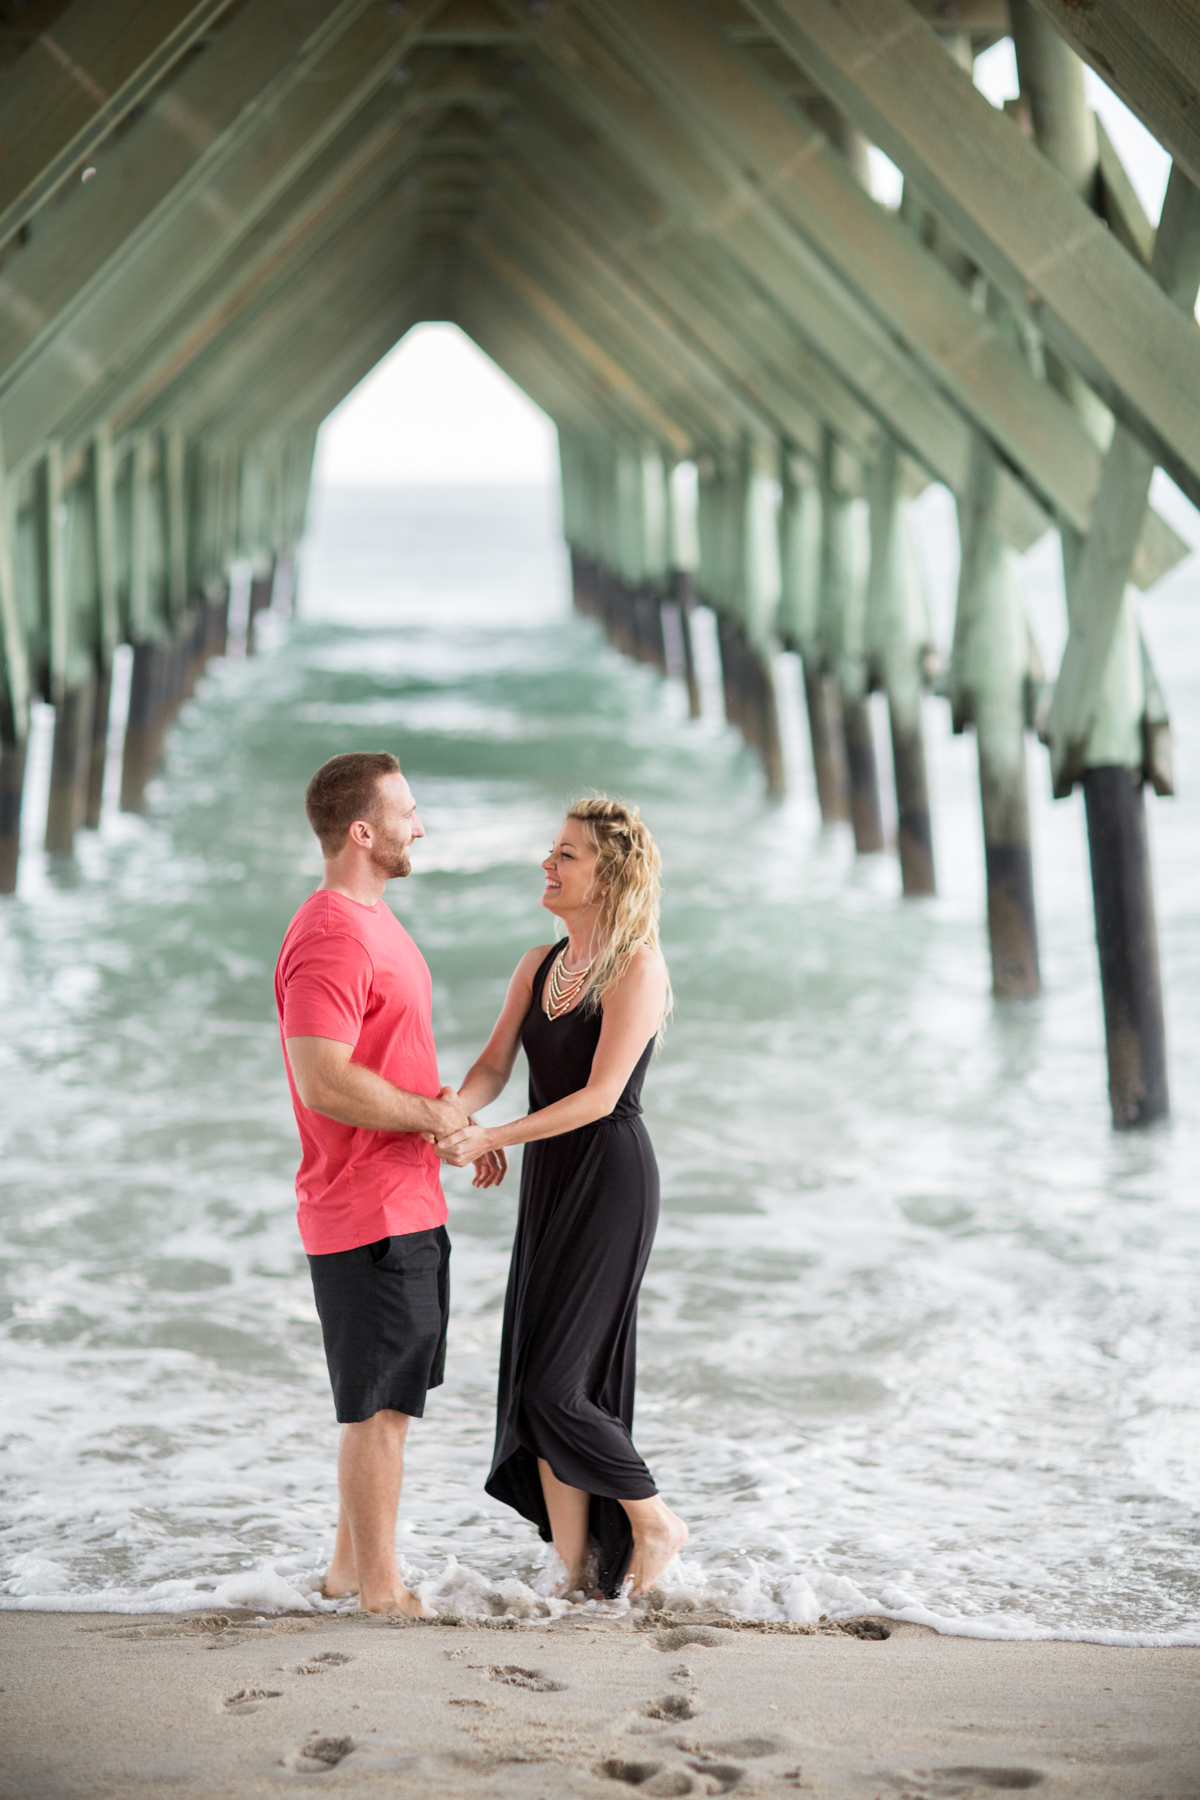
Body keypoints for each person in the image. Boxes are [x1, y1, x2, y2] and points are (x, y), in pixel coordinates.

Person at [434, 795, 687, 1600]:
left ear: (609, 874)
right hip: (549, 1180)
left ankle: (655, 1522)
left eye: (567, 854)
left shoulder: (637, 966)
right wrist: (453, 1113)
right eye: (553, 849)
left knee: (559, 1386)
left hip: (608, 1180)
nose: (549, 863)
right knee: (534, 1385)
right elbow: (493, 1065)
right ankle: (574, 1578)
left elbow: (603, 1097)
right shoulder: (537, 964)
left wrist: (494, 1139)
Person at [274, 751, 503, 1617]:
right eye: (407, 811)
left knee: (388, 1401)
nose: (421, 824)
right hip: (362, 1205)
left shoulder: (374, 922)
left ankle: (344, 1573)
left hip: (401, 1195)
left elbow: (383, 1067)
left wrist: (443, 1117)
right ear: (362, 832)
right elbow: (323, 1079)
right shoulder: (332, 931)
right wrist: (428, 1117)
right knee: (376, 1413)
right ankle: (381, 1591)